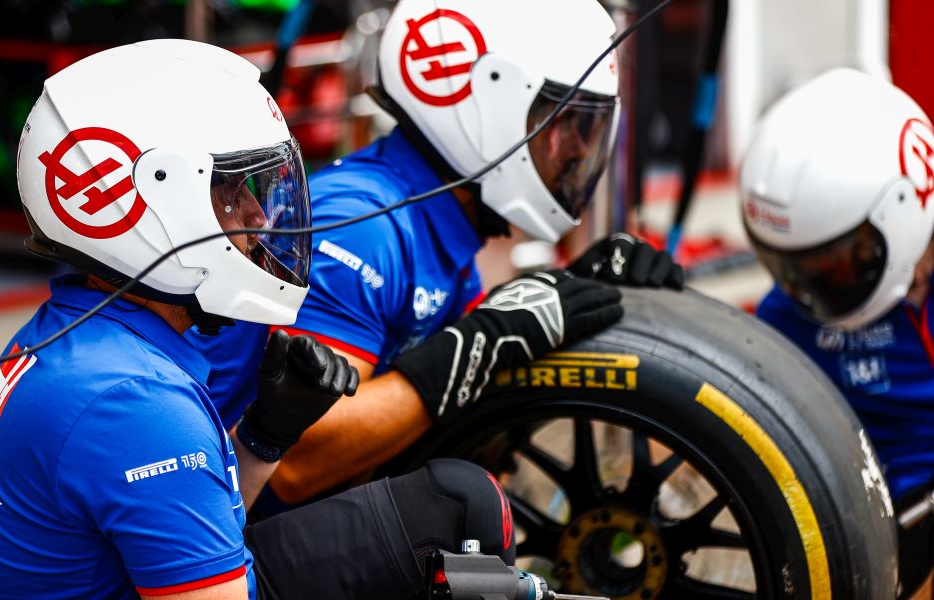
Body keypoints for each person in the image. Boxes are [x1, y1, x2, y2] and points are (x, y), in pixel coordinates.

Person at [0, 39, 591, 599]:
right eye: (233, 193)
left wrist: (264, 437)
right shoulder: (134, 403)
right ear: (141, 203)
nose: (259, 220)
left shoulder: (88, 344)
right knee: (455, 511)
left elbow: (193, 533)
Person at [189, 0, 685, 510]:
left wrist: (575, 301)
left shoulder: (433, 217)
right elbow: (297, 463)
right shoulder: (367, 225)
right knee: (462, 510)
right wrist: (481, 342)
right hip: (226, 539)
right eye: (560, 124)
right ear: (483, 105)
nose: (579, 151)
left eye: (586, 128)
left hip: (270, 530)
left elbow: (462, 416)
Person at [741, 68, 934, 599]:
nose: (807, 290)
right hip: (858, 529)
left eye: (833, 266)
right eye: (790, 268)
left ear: (900, 221)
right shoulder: (785, 319)